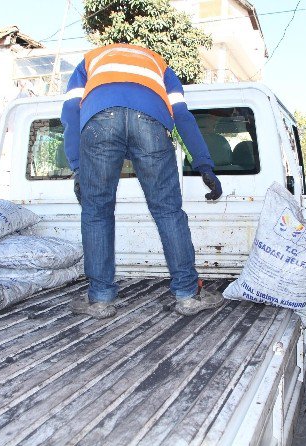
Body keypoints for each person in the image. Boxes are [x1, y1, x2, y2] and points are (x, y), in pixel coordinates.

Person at [61, 42, 224, 319]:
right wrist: (204, 163)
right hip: (151, 121)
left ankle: (100, 300)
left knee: (96, 212)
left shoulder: (91, 59)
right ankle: (187, 295)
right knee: (168, 211)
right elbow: (182, 116)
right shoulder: (159, 63)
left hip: (100, 120)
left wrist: (78, 167)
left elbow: (71, 111)